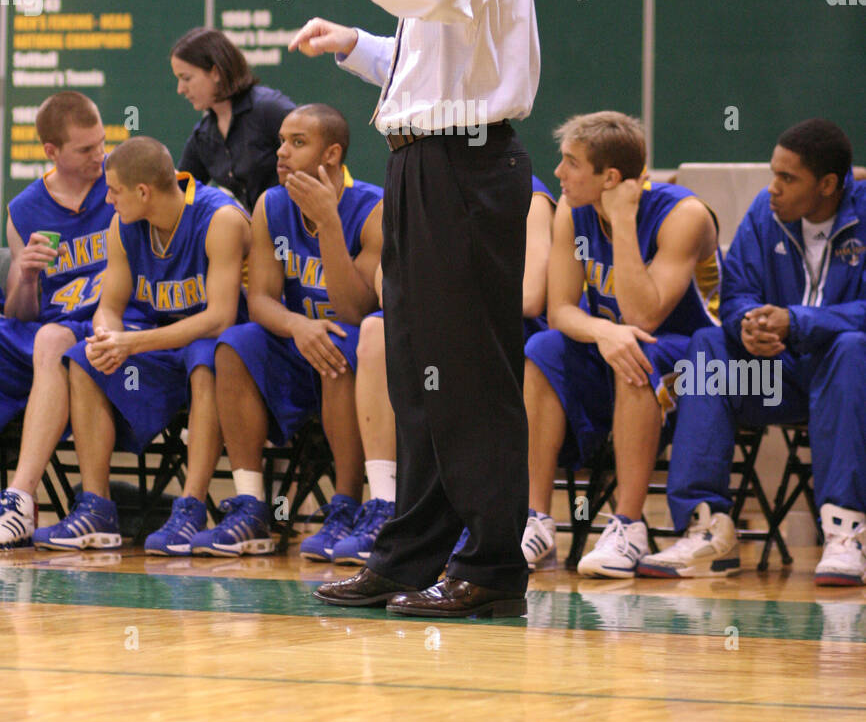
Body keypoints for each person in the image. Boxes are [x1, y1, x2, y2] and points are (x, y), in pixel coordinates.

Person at [270, 0, 540, 618]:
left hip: (465, 172)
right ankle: (410, 556)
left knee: (469, 373)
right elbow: (434, 62)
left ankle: (493, 569)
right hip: (427, 168)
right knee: (420, 373)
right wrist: (356, 46)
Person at [639, 118, 866, 586]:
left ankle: (846, 533)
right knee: (707, 347)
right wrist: (747, 325)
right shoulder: (765, 213)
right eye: (773, 174)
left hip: (846, 384)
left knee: (850, 346)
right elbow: (736, 289)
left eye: (788, 178)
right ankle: (707, 527)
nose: (773, 188)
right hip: (774, 379)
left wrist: (798, 321)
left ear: (827, 185)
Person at [523, 111, 721, 577]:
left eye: (571, 163)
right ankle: (537, 520)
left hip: (696, 364)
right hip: (618, 345)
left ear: (610, 177)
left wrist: (625, 221)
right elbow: (561, 309)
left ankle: (628, 526)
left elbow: (644, 315)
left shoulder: (683, 215)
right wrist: (604, 332)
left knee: (638, 351)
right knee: (543, 349)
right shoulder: (572, 210)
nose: (559, 174)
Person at [33, 137, 250, 552]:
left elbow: (220, 317)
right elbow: (109, 305)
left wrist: (132, 342)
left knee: (207, 360)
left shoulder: (219, 218)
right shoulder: (123, 226)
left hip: (218, 343)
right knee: (84, 358)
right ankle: (97, 508)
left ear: (143, 192)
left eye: (114, 191)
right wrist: (107, 336)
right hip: (157, 341)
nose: (108, 199)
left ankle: (190, 508)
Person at [330, 175, 556, 566]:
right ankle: (385, 504)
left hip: (501, 329)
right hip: (437, 321)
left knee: (455, 338)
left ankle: (475, 517)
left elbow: (532, 294)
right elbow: (389, 283)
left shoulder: (525, 193)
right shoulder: (414, 184)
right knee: (375, 330)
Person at [190, 104, 383, 556]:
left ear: (332, 154)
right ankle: (252, 508)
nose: (282, 152)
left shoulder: (373, 208)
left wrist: (330, 224)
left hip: (354, 348)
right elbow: (259, 300)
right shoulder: (271, 204)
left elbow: (356, 308)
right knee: (234, 344)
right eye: (281, 141)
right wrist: (299, 325)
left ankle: (347, 505)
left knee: (338, 343)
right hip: (295, 340)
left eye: (298, 143)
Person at [0, 92, 114, 546]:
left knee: (51, 339)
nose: (99, 156)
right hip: (45, 327)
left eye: (102, 143)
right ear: (52, 152)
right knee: (42, 333)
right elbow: (19, 310)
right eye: (85, 149)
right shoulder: (24, 210)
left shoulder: (121, 184)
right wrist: (25, 275)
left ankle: (19, 499)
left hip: (103, 326)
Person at [172, 27, 295, 212]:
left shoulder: (269, 108)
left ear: (216, 72)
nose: (180, 89)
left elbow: (317, 159)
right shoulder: (203, 135)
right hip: (259, 233)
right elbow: (179, 193)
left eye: (186, 78)